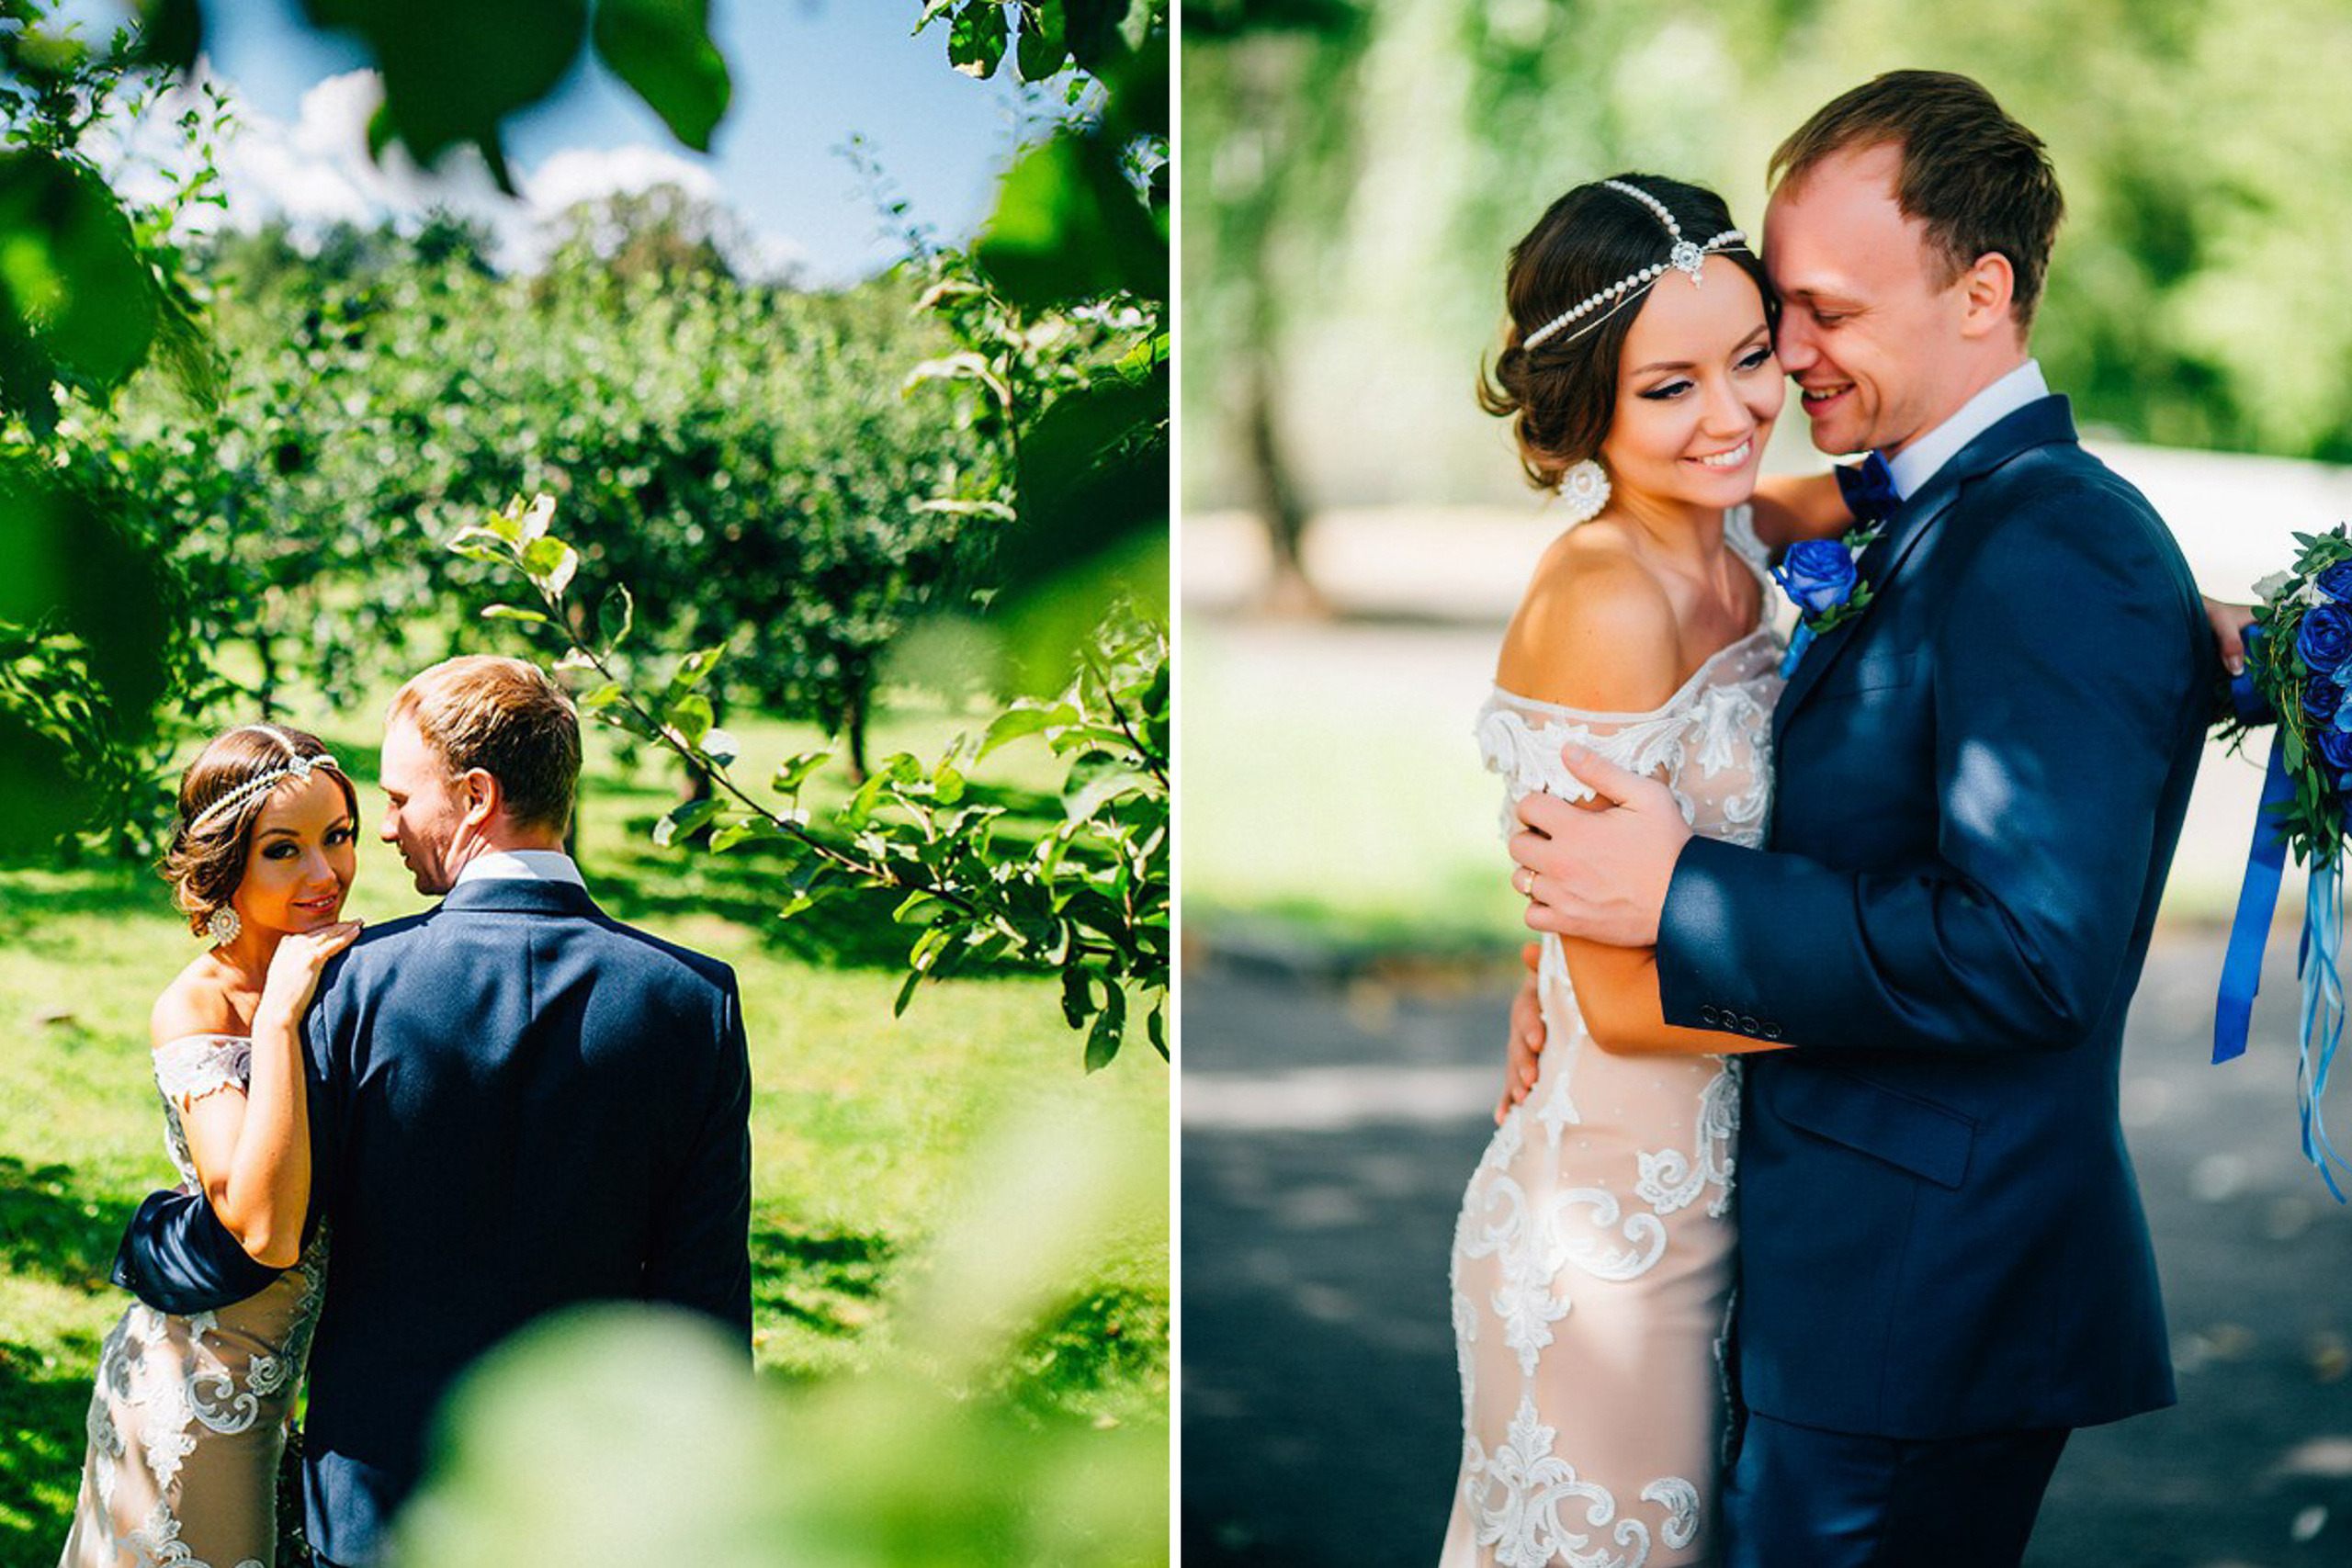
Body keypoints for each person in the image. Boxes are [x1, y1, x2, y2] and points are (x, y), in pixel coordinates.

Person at [1501, 73, 2220, 1567]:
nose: (1792, 357)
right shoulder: (1929, 510)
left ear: (1984, 290)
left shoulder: (2053, 540)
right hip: (1842, 1280)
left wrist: (1678, 896)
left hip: (1920, 1297)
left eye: (1826, 311)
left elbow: (2029, 952)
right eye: (1785, 312)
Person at [110, 655, 754, 1568]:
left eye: (400, 801)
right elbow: (706, 1291)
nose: (388, 833)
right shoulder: (693, 1001)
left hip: (382, 1491)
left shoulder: (351, 985)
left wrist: (146, 1244)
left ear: (477, 795)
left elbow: (267, 1221)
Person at [60, 723, 363, 1568]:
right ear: (227, 862)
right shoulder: (200, 1006)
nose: (324, 873)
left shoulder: (352, 966)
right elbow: (261, 1226)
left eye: (338, 837)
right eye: (284, 849)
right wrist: (276, 1018)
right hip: (198, 1392)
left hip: (301, 1385)